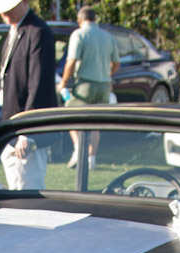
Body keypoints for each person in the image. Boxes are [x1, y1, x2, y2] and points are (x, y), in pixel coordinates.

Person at [0, 0, 57, 190]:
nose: (5, 15)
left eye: (9, 9)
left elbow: (38, 84)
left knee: (27, 192)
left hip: (27, 133)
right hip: (12, 129)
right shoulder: (15, 30)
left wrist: (27, 130)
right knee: (17, 189)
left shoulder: (38, 31)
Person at [59, 6, 119, 169]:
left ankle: (79, 149)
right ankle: (91, 158)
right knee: (95, 122)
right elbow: (116, 63)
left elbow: (71, 61)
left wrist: (64, 82)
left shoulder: (79, 34)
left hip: (85, 83)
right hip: (104, 84)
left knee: (69, 115)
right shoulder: (108, 36)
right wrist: (108, 74)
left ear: (80, 20)